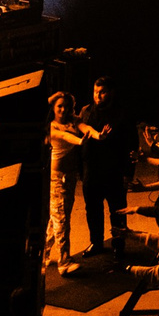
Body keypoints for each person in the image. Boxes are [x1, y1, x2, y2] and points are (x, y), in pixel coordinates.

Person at [78, 76, 131, 255]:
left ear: (111, 93)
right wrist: (80, 168)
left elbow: (130, 144)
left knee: (117, 209)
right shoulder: (86, 111)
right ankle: (96, 242)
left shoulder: (121, 114)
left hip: (114, 170)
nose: (98, 96)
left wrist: (128, 173)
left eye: (102, 92)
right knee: (92, 209)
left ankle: (118, 243)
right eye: (95, 92)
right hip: (91, 169)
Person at [45, 90, 84, 268]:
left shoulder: (72, 121)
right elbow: (65, 136)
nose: (63, 110)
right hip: (57, 179)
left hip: (69, 177)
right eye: (59, 106)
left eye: (66, 106)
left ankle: (42, 253)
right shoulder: (50, 126)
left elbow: (84, 127)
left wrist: (98, 135)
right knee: (61, 218)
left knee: (57, 217)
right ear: (53, 107)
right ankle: (64, 260)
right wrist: (81, 141)